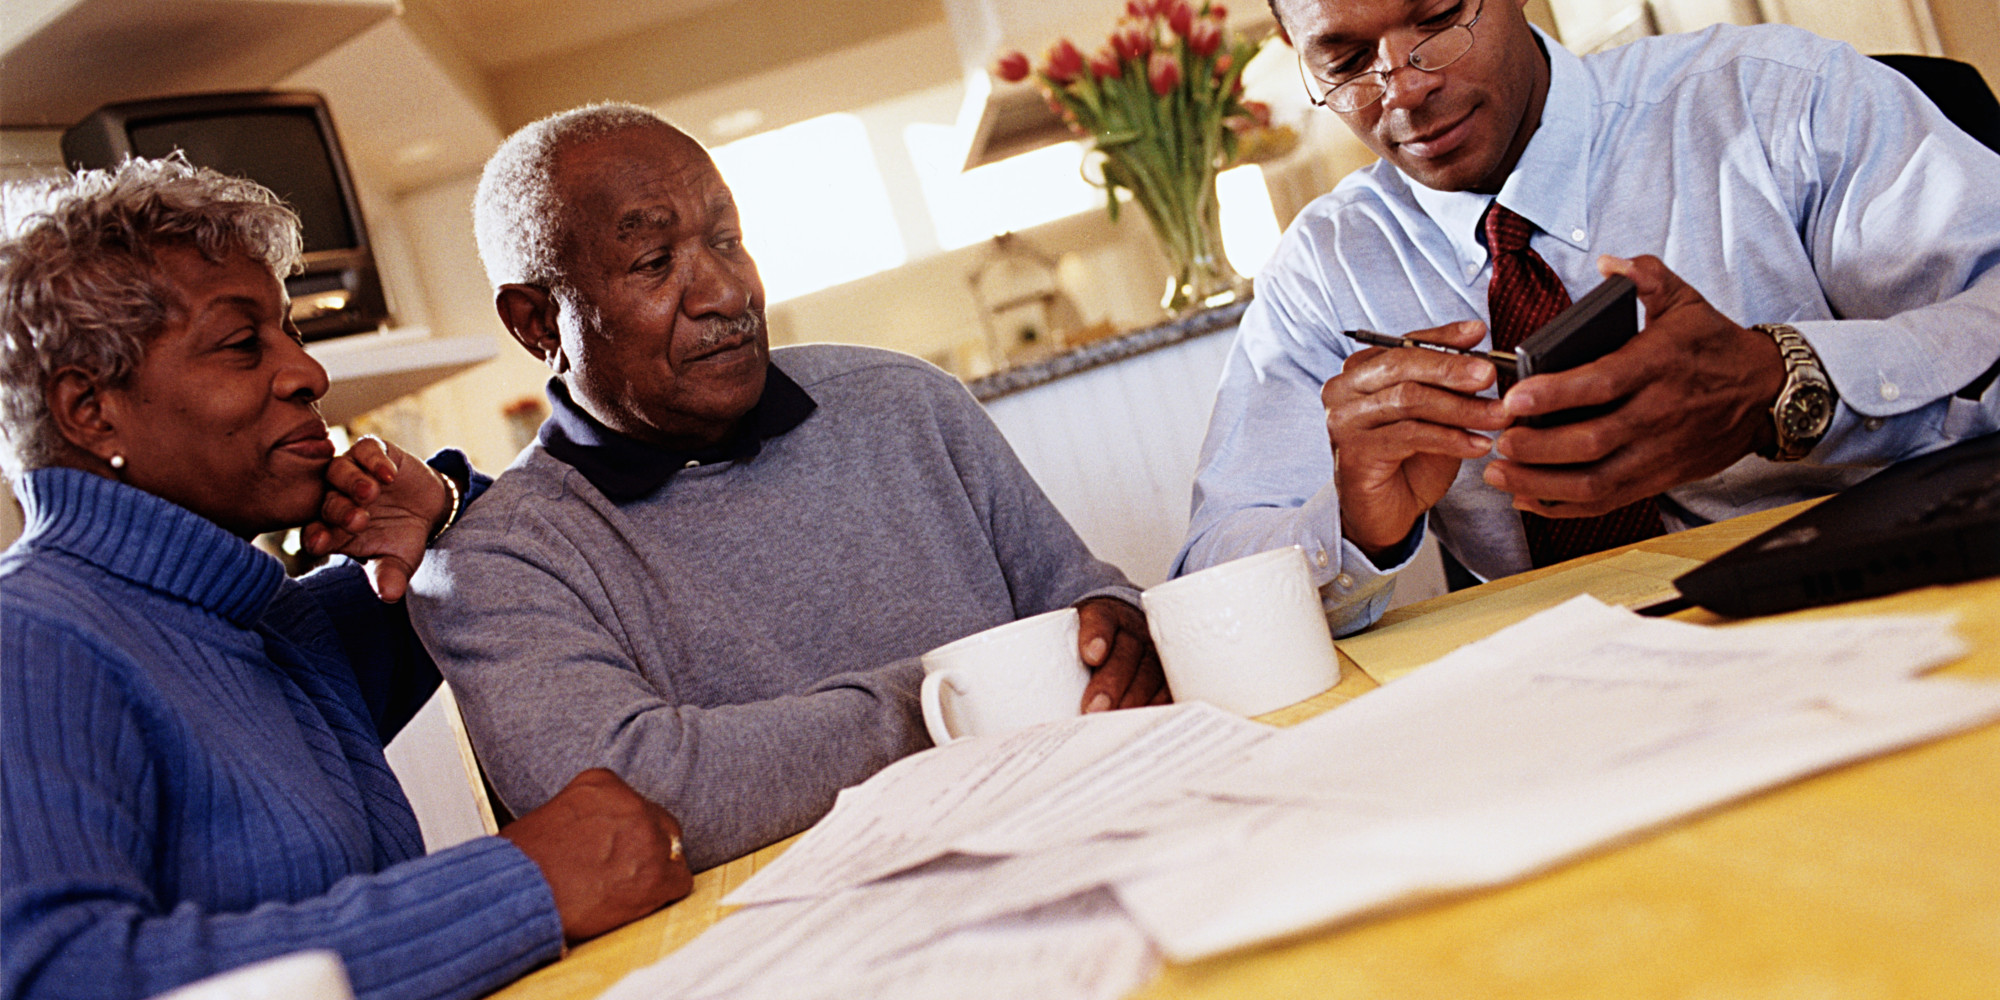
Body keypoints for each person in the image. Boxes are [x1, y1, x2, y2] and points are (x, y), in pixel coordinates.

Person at [408, 104, 1168, 872]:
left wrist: (1123, 628)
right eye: (654, 263)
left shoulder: (908, 403)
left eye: (728, 240)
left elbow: (1082, 604)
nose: (727, 292)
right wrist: (963, 694)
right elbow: (632, 809)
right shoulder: (496, 563)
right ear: (536, 323)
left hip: (1088, 846)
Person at [0, 156, 692, 1000]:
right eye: (243, 344)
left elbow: (527, 567)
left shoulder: (272, 627)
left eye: (289, 332)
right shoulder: (30, 640)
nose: (309, 374)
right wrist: (522, 886)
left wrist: (436, 501)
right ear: (89, 408)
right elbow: (57, 976)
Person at [1178, 0, 2000, 635]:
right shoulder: (1326, 271)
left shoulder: (1775, 99)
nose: (1407, 87)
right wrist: (1351, 524)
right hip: (1578, 702)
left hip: (1869, 609)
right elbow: (1214, 585)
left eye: (1437, 19)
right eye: (1349, 59)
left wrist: (1784, 381)